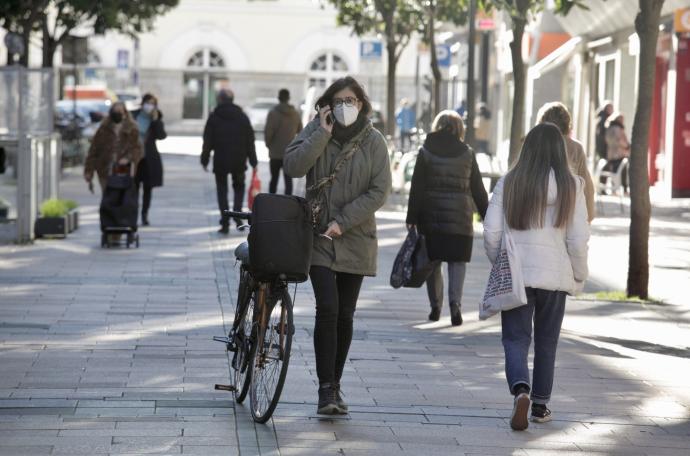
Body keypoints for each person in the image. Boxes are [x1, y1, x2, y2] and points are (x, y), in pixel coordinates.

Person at [284, 76, 391, 415]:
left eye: (353, 100)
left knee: (345, 314)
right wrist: (322, 133)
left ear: (362, 104)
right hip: (317, 236)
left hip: (355, 238)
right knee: (327, 308)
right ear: (328, 103)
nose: (347, 106)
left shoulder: (374, 141)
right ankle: (325, 389)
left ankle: (336, 383)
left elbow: (379, 190)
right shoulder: (317, 129)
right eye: (340, 100)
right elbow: (293, 166)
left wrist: (343, 221)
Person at [483, 123, 590, 431]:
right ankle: (541, 406)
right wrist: (579, 274)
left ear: (527, 148)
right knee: (547, 341)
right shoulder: (573, 185)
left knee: (515, 339)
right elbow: (578, 238)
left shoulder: (510, 182)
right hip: (555, 276)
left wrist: (501, 264)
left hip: (519, 274)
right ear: (560, 151)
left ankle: (521, 390)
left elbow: (491, 232)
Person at [406, 110, 488, 326]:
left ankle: (435, 306)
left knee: (432, 262)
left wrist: (411, 217)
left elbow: (417, 187)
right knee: (457, 262)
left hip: (430, 218)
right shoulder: (468, 153)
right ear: (460, 129)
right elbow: (478, 189)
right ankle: (455, 305)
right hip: (460, 218)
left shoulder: (425, 152)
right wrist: (487, 215)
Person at [201, 89, 258, 234]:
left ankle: (225, 221)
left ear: (220, 100)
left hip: (221, 160)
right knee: (239, 187)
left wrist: (205, 159)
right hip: (239, 159)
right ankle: (237, 214)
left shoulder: (214, 117)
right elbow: (250, 141)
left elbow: (207, 141)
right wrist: (253, 160)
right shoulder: (242, 117)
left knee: (222, 190)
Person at [536, 102, 595, 222]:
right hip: (566, 215)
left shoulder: (533, 144)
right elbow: (586, 187)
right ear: (567, 124)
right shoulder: (575, 148)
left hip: (536, 214)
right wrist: (587, 217)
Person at [84, 102, 142, 191]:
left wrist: (128, 158)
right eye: (115, 111)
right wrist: (89, 171)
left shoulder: (132, 129)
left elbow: (137, 148)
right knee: (108, 198)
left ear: (125, 113)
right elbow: (94, 150)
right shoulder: (103, 128)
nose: (117, 114)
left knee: (121, 197)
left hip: (124, 169)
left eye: (119, 111)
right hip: (105, 169)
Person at [132, 93, 167, 226]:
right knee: (133, 188)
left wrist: (155, 120)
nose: (149, 105)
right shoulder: (134, 116)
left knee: (147, 188)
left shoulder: (156, 118)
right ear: (143, 103)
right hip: (135, 158)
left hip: (149, 158)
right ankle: (133, 213)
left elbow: (161, 136)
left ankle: (144, 214)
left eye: (152, 103)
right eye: (148, 102)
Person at [264, 88, 302, 195]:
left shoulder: (272, 113)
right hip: (289, 153)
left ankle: (271, 200)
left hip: (275, 153)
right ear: (288, 98)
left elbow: (268, 132)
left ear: (279, 98)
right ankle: (288, 203)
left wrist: (269, 145)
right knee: (288, 181)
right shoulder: (295, 114)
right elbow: (301, 132)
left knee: (274, 179)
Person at [604, 112, 630, 193]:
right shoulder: (618, 128)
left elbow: (607, 140)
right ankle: (623, 189)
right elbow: (620, 140)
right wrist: (627, 146)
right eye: (622, 119)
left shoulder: (609, 128)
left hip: (611, 153)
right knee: (622, 171)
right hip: (619, 153)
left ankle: (614, 189)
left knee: (614, 171)